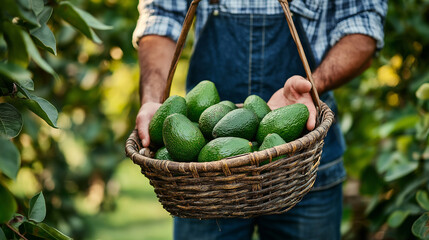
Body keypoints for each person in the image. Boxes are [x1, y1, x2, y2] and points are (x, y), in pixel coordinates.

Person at [132, 0, 387, 239]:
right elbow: (160, 16)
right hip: (201, 178)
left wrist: (311, 86)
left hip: (302, 162)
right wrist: (155, 100)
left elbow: (363, 26)